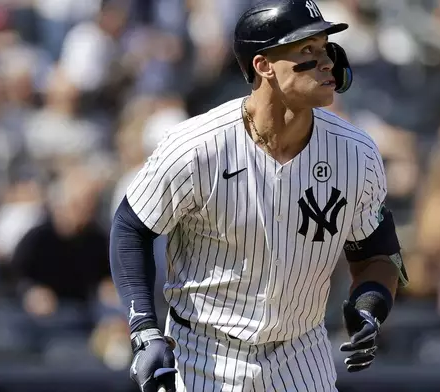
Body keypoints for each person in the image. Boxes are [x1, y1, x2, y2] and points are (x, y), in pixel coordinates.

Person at [109, 1, 408, 391]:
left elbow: (378, 255)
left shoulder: (357, 152)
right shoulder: (197, 146)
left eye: (325, 47)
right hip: (202, 353)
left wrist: (370, 307)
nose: (327, 62)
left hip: (301, 353)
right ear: (264, 65)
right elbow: (131, 227)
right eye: (307, 50)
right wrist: (145, 330)